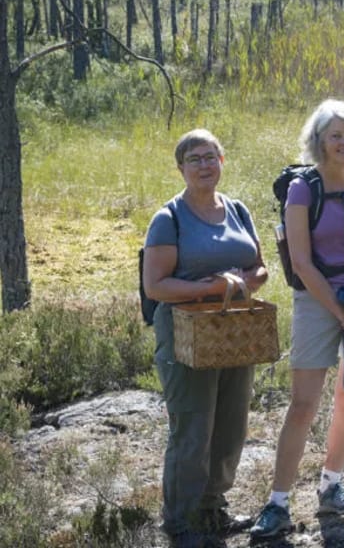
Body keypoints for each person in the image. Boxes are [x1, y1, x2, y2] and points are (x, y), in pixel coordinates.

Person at [249, 100, 344, 541]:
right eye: (335, 135)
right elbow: (301, 262)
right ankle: (277, 503)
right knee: (303, 403)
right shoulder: (303, 189)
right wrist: (342, 314)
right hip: (318, 301)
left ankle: (332, 485)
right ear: (319, 141)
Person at [142, 129, 269, 548]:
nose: (203, 165)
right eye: (194, 159)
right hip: (185, 333)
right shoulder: (169, 219)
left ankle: (214, 509)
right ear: (181, 168)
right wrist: (214, 287)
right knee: (193, 426)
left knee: (231, 426)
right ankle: (180, 521)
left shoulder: (237, 209)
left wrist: (245, 282)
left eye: (209, 157)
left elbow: (261, 269)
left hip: (234, 331)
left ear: (222, 160)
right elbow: (156, 286)